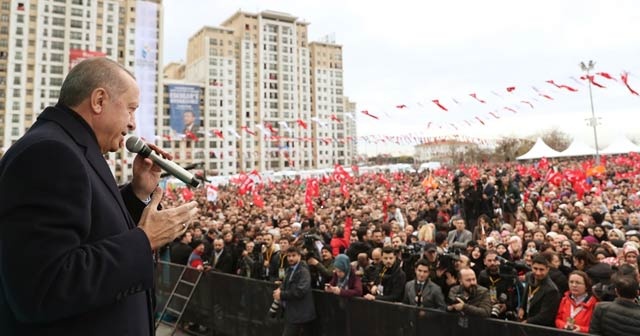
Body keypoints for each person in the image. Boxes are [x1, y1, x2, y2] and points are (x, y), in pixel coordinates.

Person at [0, 57, 198, 335]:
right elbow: (44, 287)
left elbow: (92, 228)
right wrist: (145, 240)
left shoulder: (70, 147)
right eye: (130, 110)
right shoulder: (50, 153)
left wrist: (137, 192)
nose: (132, 124)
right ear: (99, 101)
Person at [273, 247, 316, 336]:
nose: (291, 258)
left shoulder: (303, 271)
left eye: (293, 256)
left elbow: (300, 291)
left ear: (299, 256)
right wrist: (280, 288)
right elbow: (286, 283)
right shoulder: (289, 269)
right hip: (292, 311)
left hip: (301, 313)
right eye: (289, 256)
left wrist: (282, 294)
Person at [519, 255, 561, 327]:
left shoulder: (551, 290)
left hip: (539, 328)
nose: (538, 273)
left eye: (541, 270)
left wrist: (527, 322)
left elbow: (545, 316)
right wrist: (522, 307)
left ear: (547, 269)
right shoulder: (530, 276)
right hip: (526, 320)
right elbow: (526, 295)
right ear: (531, 267)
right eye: (535, 268)